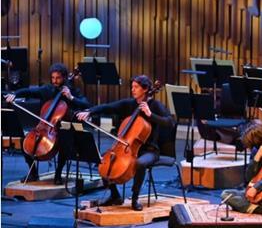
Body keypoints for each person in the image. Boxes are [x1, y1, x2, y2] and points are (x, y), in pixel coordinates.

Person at [76, 75, 174, 211]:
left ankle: (135, 198)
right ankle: (115, 195)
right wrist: (90, 111)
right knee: (104, 160)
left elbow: (170, 122)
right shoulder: (130, 104)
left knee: (139, 163)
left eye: (136, 87)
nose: (132, 90)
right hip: (127, 147)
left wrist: (151, 115)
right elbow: (108, 107)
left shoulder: (155, 106)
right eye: (132, 87)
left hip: (150, 150)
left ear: (145, 90)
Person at [4, 63, 90, 185]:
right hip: (44, 127)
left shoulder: (72, 91)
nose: (55, 81)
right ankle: (33, 173)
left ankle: (58, 173)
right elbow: (29, 91)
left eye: (58, 78)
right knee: (26, 142)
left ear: (65, 77)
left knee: (65, 140)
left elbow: (86, 105)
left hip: (63, 128)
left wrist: (71, 97)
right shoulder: (47, 89)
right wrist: (15, 94)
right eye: (53, 78)